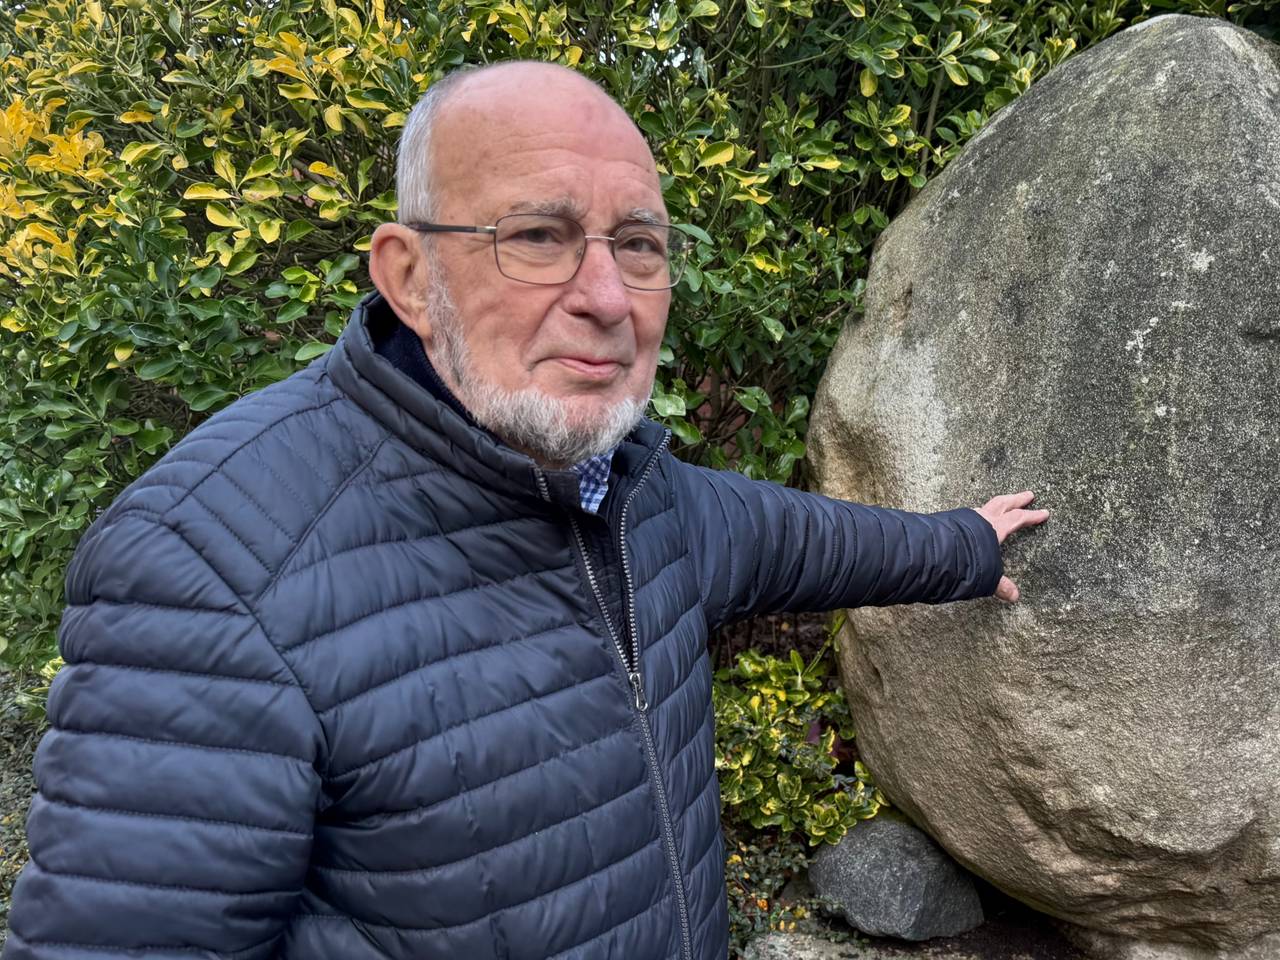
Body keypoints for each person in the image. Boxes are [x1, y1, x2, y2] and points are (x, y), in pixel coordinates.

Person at [3, 61, 1047, 960]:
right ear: (408, 276)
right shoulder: (215, 570)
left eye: (638, 244)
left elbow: (805, 542)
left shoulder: (636, 495)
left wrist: (963, 544)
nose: (604, 295)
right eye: (538, 235)